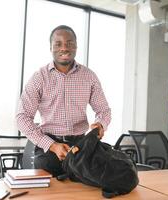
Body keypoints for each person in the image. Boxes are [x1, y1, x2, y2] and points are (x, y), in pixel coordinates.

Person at [16, 25, 111, 177]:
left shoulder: (89, 76)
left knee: (84, 193)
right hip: (49, 150)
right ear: (51, 47)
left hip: (81, 148)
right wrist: (52, 145)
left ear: (76, 46)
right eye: (58, 44)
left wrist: (100, 124)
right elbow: (22, 117)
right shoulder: (39, 77)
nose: (64, 48)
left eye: (69, 43)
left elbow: (103, 110)